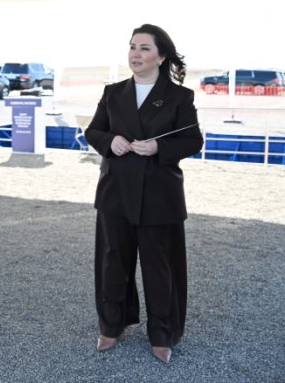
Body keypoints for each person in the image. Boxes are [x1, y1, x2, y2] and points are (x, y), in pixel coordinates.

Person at [85, 24, 203, 363]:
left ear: (161, 56)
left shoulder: (180, 97)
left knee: (159, 266)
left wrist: (158, 147)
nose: (135, 54)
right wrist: (111, 141)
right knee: (112, 262)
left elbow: (193, 140)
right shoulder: (113, 93)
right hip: (115, 193)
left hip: (159, 196)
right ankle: (111, 326)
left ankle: (162, 334)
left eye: (144, 48)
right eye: (132, 47)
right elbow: (94, 131)